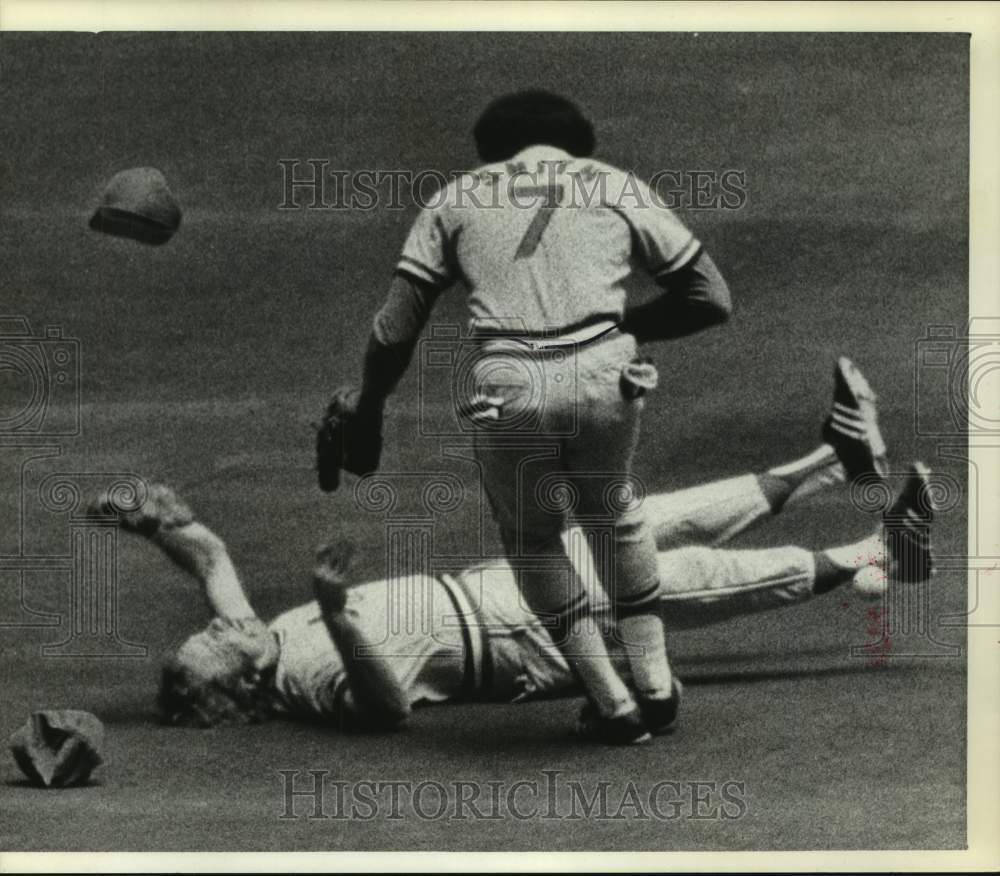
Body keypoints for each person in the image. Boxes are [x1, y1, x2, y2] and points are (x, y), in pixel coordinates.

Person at [101, 363, 936, 738]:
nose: (216, 627)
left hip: (497, 586)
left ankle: (837, 459)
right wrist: (336, 614)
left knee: (651, 518)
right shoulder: (303, 681)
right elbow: (388, 711)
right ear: (241, 686)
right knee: (688, 580)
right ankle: (874, 553)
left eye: (209, 631)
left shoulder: (261, 637)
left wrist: (146, 516)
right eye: (214, 644)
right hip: (520, 641)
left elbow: (208, 558)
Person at [346, 90, 735, 743]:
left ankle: (613, 704)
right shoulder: (616, 184)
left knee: (531, 537)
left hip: (511, 381)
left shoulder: (457, 197)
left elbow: (394, 331)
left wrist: (370, 407)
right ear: (576, 140)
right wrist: (620, 327)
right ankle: (657, 684)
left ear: (492, 146)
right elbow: (711, 299)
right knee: (613, 512)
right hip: (607, 375)